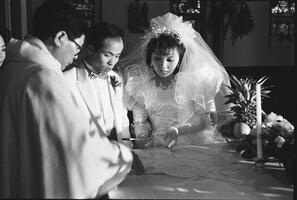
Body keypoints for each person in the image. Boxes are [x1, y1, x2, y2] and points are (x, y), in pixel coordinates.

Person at [0, 0, 133, 198]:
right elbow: (77, 149)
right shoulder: (43, 78)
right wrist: (123, 157)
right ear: (61, 37)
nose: (75, 56)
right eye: (77, 47)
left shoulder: (11, 67)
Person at [121, 12, 231, 149]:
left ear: (180, 60)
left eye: (170, 59)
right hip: (158, 146)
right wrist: (141, 135)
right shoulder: (140, 84)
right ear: (149, 59)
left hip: (191, 145)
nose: (163, 65)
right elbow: (139, 121)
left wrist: (179, 130)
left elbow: (206, 122)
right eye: (157, 58)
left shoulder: (192, 82)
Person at [64, 21, 131, 147]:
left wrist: (127, 149)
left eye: (117, 56)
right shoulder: (68, 80)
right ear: (90, 49)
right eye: (107, 55)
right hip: (87, 151)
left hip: (118, 151)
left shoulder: (116, 78)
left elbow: (123, 118)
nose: (112, 62)